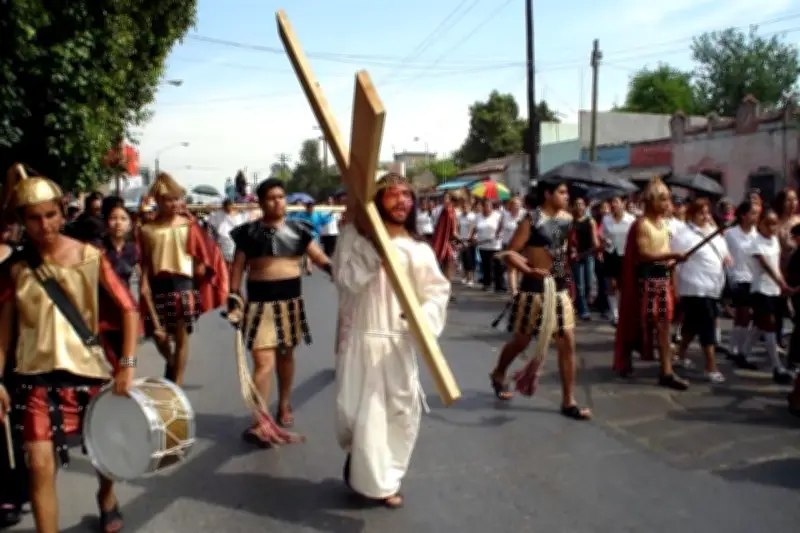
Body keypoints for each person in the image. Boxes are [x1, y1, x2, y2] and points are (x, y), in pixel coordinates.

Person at [0, 165, 138, 533]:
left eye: (50, 215)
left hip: (88, 371)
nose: (44, 225)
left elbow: (128, 308)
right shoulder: (15, 269)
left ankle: (106, 497)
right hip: (35, 380)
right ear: (22, 221)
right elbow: (4, 334)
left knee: (101, 452)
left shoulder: (91, 257)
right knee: (41, 466)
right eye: (34, 218)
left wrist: (126, 364)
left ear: (62, 212)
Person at [334, 172, 450, 509]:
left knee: (397, 414)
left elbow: (437, 292)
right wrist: (372, 251)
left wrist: (422, 317)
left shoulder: (418, 248)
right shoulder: (355, 239)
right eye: (393, 194)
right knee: (360, 415)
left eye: (407, 195)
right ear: (377, 201)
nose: (402, 201)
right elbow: (345, 282)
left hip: (397, 342)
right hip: (362, 338)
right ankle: (365, 469)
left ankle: (383, 481)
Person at [227, 178, 333, 439]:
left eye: (281, 196)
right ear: (262, 202)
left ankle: (284, 403)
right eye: (272, 197)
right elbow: (238, 267)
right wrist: (233, 294)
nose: (278, 201)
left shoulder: (299, 230)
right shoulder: (248, 233)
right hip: (258, 306)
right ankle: (260, 418)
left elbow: (319, 258)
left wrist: (336, 271)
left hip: (290, 304)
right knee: (263, 362)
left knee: (286, 357)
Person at [489, 180, 591, 420]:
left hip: (559, 288)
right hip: (533, 290)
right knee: (522, 341)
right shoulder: (531, 220)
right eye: (562, 192)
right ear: (548, 194)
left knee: (567, 341)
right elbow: (511, 254)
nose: (567, 196)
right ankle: (499, 372)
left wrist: (563, 260)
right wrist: (529, 271)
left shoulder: (566, 219)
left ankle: (568, 401)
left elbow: (558, 250)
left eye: (567, 192)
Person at [139, 172, 227, 386]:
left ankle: (176, 383)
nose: (174, 203)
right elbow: (144, 264)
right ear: (158, 201)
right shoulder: (146, 229)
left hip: (183, 285)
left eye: (176, 198)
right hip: (157, 285)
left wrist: (201, 268)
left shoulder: (189, 226)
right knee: (158, 336)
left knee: (181, 337)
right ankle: (170, 363)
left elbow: (206, 254)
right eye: (168, 199)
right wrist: (144, 287)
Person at [613, 178, 688, 389]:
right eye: (663, 199)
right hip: (644, 284)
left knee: (664, 327)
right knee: (638, 324)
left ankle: (666, 371)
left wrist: (673, 262)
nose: (667, 204)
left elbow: (662, 256)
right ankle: (625, 360)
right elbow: (645, 254)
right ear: (651, 200)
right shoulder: (641, 224)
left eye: (668, 199)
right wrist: (672, 254)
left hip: (662, 281)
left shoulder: (664, 225)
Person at [671, 198, 731, 383]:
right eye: (700, 213)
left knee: (692, 323)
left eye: (707, 213)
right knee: (707, 325)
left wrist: (726, 258)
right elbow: (674, 262)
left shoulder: (714, 232)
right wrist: (675, 287)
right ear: (691, 214)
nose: (705, 217)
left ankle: (679, 354)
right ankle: (710, 365)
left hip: (713, 286)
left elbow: (724, 252)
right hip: (695, 286)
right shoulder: (683, 234)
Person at [740, 209, 796, 384]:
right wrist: (782, 284)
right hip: (760, 288)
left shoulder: (774, 241)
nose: (772, 227)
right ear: (760, 224)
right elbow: (766, 266)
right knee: (770, 325)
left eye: (775, 223)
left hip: (774, 290)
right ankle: (777, 367)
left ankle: (743, 353)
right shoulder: (755, 243)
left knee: (760, 325)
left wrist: (782, 284)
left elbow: (777, 265)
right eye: (768, 223)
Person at [724, 201, 760, 369]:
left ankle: (734, 348)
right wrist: (729, 276)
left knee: (743, 318)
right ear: (743, 215)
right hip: (738, 277)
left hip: (754, 278)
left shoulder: (756, 234)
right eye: (753, 213)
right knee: (744, 315)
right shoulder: (731, 234)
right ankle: (738, 351)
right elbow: (725, 255)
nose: (756, 217)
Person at [600, 194, 635, 324]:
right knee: (611, 285)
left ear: (623, 203)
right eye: (612, 202)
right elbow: (602, 234)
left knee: (623, 285)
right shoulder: (606, 219)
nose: (614, 205)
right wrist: (604, 240)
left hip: (625, 254)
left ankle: (623, 311)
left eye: (616, 201)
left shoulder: (631, 219)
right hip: (610, 253)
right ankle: (615, 314)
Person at [206, 199, 249, 273]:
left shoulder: (241, 216)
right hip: (223, 247)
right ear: (223, 207)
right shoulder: (218, 215)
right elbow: (210, 226)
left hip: (236, 248)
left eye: (229, 207)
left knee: (236, 270)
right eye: (226, 208)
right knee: (224, 271)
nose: (228, 209)